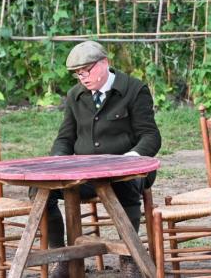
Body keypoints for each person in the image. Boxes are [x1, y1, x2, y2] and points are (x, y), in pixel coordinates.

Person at [30, 40, 161, 277]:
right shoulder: (75, 96)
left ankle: (129, 256)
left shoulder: (133, 89)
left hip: (128, 171)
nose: (82, 77)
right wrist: (58, 159)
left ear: (104, 64)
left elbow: (150, 136)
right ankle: (63, 256)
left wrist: (130, 160)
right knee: (39, 190)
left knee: (126, 186)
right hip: (87, 174)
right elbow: (65, 138)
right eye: (77, 74)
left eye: (86, 71)